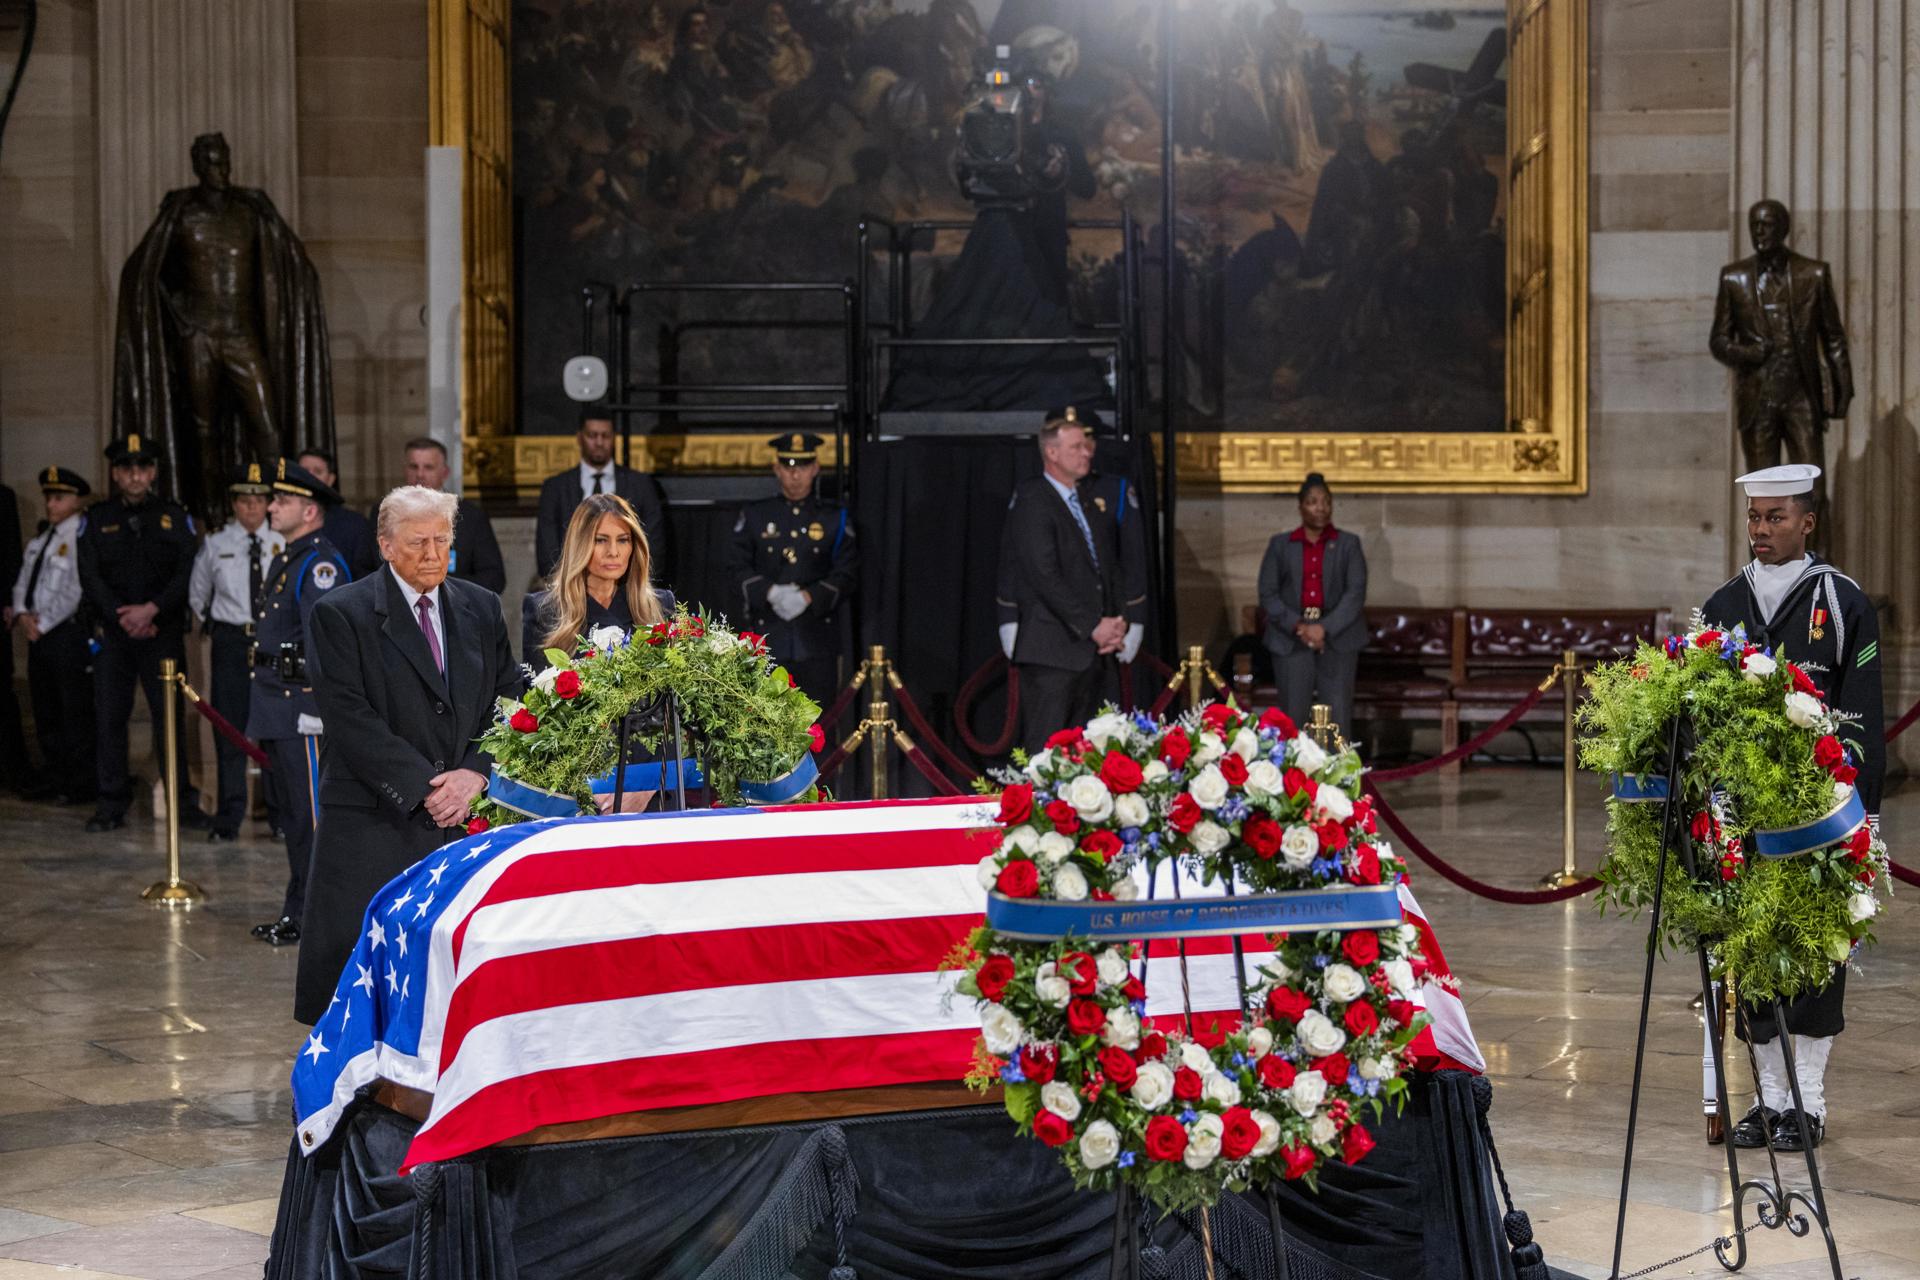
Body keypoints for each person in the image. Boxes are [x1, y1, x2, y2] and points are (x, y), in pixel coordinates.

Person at [1704, 463, 1882, 1154]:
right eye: (1754, 518)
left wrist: (1860, 814)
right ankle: (1767, 1102)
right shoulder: (1724, 604)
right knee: (1751, 957)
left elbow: (1863, 713)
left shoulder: (1841, 601)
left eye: (1776, 517)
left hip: (1822, 816)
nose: (1761, 530)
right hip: (1749, 817)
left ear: (1808, 521)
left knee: (1813, 957)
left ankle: (1808, 1104)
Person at [295, 486, 522, 1024]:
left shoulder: (481, 606)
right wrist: (428, 788)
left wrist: (474, 772)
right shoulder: (340, 614)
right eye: (418, 542)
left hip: (467, 815)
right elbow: (351, 721)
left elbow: (507, 697)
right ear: (385, 546)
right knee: (365, 987)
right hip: (377, 820)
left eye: (442, 540)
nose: (432, 554)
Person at [245, 460, 351, 946]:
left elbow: (325, 642)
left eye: (281, 500)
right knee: (291, 819)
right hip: (275, 705)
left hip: (300, 707)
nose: (270, 506)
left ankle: (316, 917)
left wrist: (316, 705)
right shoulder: (287, 557)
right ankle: (298, 911)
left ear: (309, 510)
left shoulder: (319, 564)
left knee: (311, 821)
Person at [78, 434, 203, 833]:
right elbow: (90, 574)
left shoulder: (173, 515)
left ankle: (182, 802)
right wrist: (122, 616)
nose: (135, 476)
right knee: (110, 719)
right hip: (114, 634)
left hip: (161, 632)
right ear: (116, 474)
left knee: (169, 721)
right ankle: (111, 804)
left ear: (152, 473)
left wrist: (152, 610)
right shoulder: (96, 518)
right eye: (127, 469)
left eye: (143, 468)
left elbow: (187, 571)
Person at [997, 408, 1134, 751]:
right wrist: (1092, 625)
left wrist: (1117, 622)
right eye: (1076, 447)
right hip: (1053, 653)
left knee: (1090, 754)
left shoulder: (1086, 501)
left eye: (1087, 446)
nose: (1086, 452)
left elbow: (1106, 568)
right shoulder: (1034, 500)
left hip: (1092, 652)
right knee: (1047, 752)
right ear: (1052, 452)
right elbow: (1044, 575)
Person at [1709, 201, 1854, 516]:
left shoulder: (1813, 273)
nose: (1758, 231)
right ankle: (1766, 566)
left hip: (1801, 396)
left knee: (1810, 492)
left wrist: (1843, 391)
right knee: (1763, 497)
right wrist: (1748, 353)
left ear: (1784, 228)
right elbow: (1718, 341)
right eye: (1754, 225)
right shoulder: (1733, 278)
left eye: (1766, 224)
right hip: (1758, 401)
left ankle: (1812, 564)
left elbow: (1833, 337)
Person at [722, 433, 858, 704]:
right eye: (788, 467)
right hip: (768, 633)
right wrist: (769, 592)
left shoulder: (835, 517)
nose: (795, 475)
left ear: (816, 468)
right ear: (776, 469)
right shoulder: (755, 515)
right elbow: (735, 566)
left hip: (817, 637)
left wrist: (809, 596)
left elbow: (847, 571)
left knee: (820, 726)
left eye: (803, 467)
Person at [187, 464, 283, 841]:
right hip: (231, 642)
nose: (251, 508)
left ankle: (280, 817)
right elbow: (199, 596)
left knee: (276, 731)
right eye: (244, 501)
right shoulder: (216, 543)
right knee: (229, 728)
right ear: (234, 504)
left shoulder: (281, 541)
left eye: (258, 500)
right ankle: (229, 816)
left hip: (272, 642)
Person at [1256, 473, 1368, 736]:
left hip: (1338, 638)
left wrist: (1323, 629)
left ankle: (1339, 776)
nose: (1321, 508)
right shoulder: (1281, 545)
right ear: (1300, 507)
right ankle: (1295, 775)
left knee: (1337, 717)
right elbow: (1268, 593)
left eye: (1326, 502)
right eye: (1313, 502)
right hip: (1291, 637)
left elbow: (1355, 594)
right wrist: (1300, 626)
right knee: (1293, 718)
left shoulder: (1348, 544)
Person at [8, 467, 95, 803]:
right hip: (38, 634)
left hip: (65, 633)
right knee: (46, 710)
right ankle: (56, 775)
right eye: (48, 497)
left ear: (77, 500)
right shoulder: (43, 538)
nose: (51, 504)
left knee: (72, 711)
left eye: (59, 498)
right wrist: (22, 614)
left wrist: (41, 624)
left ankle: (79, 782)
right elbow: (23, 580)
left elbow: (74, 590)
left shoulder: (78, 537)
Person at [522, 493, 671, 660]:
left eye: (623, 540)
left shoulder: (659, 605)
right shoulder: (545, 611)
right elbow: (536, 682)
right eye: (600, 540)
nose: (613, 552)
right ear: (579, 545)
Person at [535, 411, 668, 580]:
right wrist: (569, 588)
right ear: (579, 437)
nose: (599, 442)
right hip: (569, 591)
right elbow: (547, 553)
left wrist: (629, 587)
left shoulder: (641, 485)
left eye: (605, 436)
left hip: (628, 589)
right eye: (592, 435)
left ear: (614, 438)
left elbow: (654, 547)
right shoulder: (555, 488)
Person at [399, 437, 505, 593]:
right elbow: (367, 572)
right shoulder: (383, 514)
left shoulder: (471, 516)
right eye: (414, 467)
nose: (420, 474)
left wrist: (439, 589)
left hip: (456, 610)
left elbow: (494, 578)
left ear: (445, 472)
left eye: (428, 467)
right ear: (405, 470)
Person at [297, 449, 378, 579]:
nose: (310, 477)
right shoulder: (282, 520)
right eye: (304, 471)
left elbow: (365, 579)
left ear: (331, 479)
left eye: (317, 471)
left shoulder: (354, 525)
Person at [0, 480, 28, 792]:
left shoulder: (4, 497)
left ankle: (13, 770)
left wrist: (9, 601)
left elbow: (11, 554)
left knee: (3, 693)